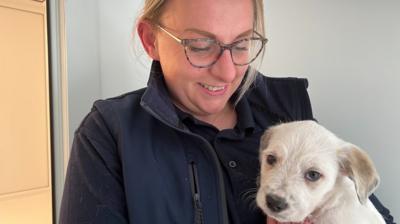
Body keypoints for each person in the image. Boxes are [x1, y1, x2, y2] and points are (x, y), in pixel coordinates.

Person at [59, 0, 395, 223]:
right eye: (201, 45)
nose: (228, 72)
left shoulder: (286, 108)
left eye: (241, 44)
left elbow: (369, 211)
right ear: (151, 40)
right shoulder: (110, 132)